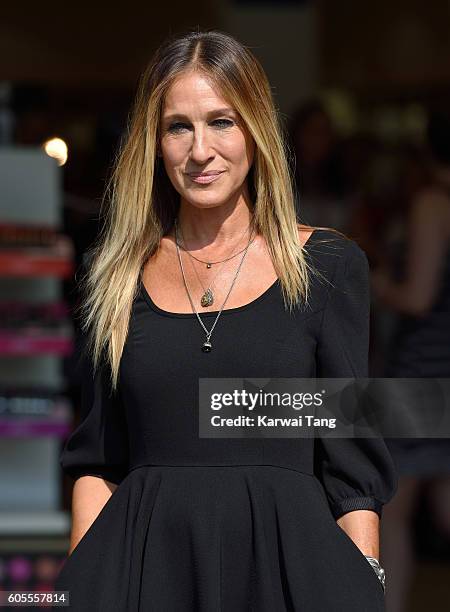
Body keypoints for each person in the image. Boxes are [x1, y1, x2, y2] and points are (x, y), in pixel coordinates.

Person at [53, 29, 397, 611]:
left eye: (221, 122)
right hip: (147, 576)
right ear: (155, 143)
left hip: (290, 578)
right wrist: (82, 590)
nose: (200, 151)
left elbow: (351, 464)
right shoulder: (112, 276)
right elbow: (98, 462)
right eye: (178, 126)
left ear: (256, 130)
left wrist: (363, 584)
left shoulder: (328, 267)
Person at [372, 111, 450, 612]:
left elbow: (418, 297)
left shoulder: (433, 201)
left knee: (392, 508)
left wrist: (371, 278)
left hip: (426, 367)